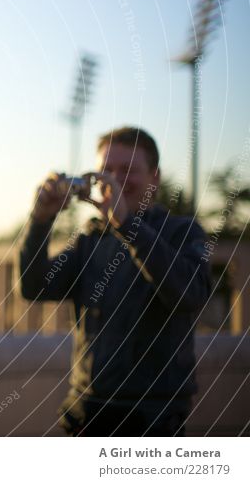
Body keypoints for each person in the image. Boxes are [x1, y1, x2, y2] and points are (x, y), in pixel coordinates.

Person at [20, 127, 212, 436]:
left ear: (155, 177)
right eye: (106, 170)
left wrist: (128, 226)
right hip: (86, 412)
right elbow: (33, 288)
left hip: (153, 419)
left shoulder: (183, 232)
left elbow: (190, 295)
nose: (114, 179)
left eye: (128, 170)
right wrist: (40, 220)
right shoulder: (91, 237)